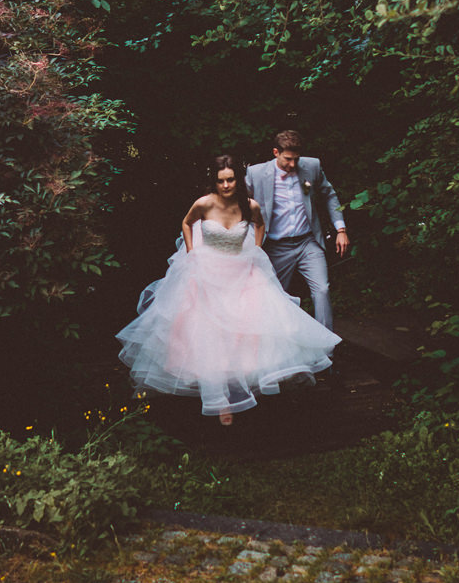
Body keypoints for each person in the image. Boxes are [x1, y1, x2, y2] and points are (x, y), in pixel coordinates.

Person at [116, 155, 341, 425]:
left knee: (249, 329)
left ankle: (245, 390)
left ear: (238, 179)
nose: (225, 186)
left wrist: (255, 251)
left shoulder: (249, 205)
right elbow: (186, 223)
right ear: (215, 182)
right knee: (208, 332)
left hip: (240, 271)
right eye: (221, 181)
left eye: (230, 179)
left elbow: (260, 225)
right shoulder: (204, 203)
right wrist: (191, 252)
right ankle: (219, 400)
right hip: (207, 272)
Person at [245, 130, 349, 332]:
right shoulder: (256, 174)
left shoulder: (312, 166)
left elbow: (329, 194)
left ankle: (325, 346)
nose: (293, 165)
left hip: (307, 243)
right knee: (274, 296)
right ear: (276, 152)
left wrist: (341, 229)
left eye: (296, 159)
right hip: (274, 246)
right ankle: (275, 344)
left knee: (322, 290)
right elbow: (239, 204)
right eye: (288, 159)